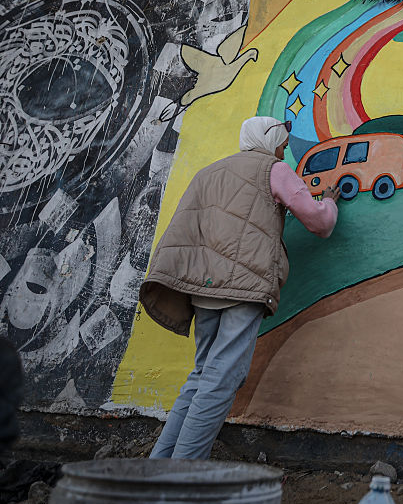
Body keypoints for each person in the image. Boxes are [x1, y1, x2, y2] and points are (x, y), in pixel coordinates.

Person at [140, 116, 340, 460]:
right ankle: (180, 476)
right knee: (220, 380)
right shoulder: (274, 170)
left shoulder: (211, 172)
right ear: (272, 140)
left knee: (202, 374)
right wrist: (331, 202)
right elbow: (318, 222)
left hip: (203, 288)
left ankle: (159, 465)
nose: (284, 150)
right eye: (282, 143)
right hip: (243, 289)